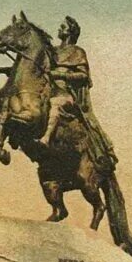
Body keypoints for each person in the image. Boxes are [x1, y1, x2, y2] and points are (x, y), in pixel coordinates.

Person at [40, 16, 116, 170]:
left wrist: (61, 75)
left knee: (55, 104)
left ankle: (46, 138)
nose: (59, 29)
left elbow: (84, 76)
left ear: (70, 32)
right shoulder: (52, 51)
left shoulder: (78, 52)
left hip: (65, 94)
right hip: (48, 90)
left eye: (63, 27)